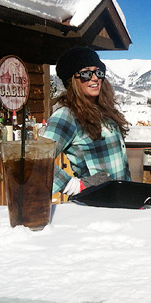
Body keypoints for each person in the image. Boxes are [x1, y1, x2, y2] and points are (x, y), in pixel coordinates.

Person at [44, 47, 131, 196]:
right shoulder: (67, 116)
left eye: (98, 72)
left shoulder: (104, 111)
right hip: (96, 204)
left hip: (120, 200)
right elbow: (35, 161)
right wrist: (75, 187)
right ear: (71, 80)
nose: (95, 78)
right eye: (85, 73)